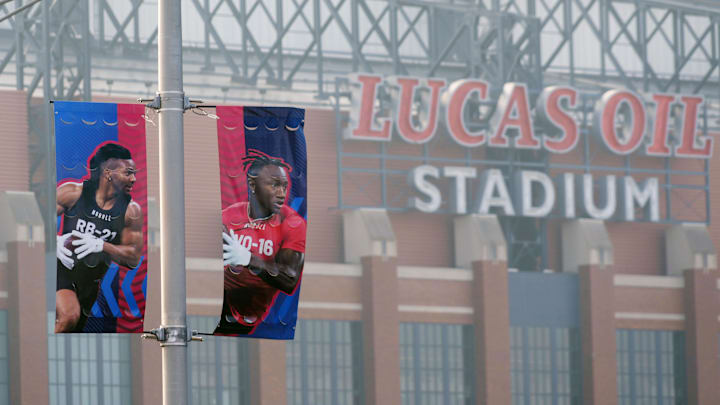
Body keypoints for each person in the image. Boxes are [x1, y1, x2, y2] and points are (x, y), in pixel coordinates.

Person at [55, 142, 143, 332]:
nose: (134, 179)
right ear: (108, 173)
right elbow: (33, 220)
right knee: (69, 316)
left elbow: (134, 258)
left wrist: (101, 245)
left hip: (90, 283)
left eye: (134, 173)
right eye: (128, 173)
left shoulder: (130, 211)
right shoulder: (73, 192)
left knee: (72, 331)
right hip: (61, 269)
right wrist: (54, 241)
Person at [216, 150, 306, 335]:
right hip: (218, 313)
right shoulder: (228, 216)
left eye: (284, 186)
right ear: (252, 184)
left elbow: (289, 280)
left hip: (252, 322)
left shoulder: (292, 223)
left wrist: (249, 259)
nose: (282, 193)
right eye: (274, 185)